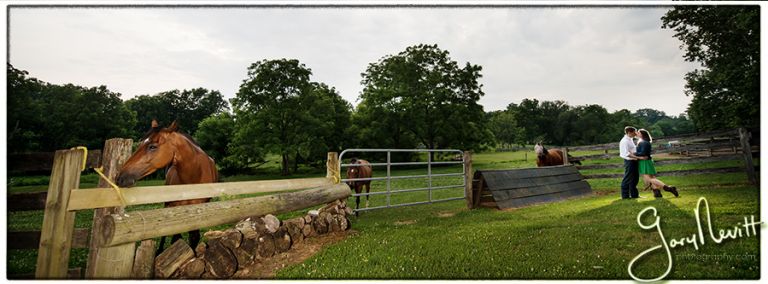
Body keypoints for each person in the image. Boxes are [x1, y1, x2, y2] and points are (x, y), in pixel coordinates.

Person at [632, 129, 679, 198]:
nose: (637, 133)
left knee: (649, 179)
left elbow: (643, 153)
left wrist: (634, 153)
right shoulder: (643, 141)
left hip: (644, 162)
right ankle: (657, 193)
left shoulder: (643, 142)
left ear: (642, 134)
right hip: (646, 161)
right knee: (652, 178)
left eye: (638, 133)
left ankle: (669, 188)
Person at [619, 126, 640, 199]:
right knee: (627, 178)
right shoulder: (624, 141)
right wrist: (638, 158)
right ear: (629, 132)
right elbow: (626, 153)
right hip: (629, 161)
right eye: (634, 132)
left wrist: (638, 136)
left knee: (635, 178)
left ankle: (634, 195)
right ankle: (625, 196)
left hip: (634, 161)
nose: (636, 133)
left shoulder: (630, 139)